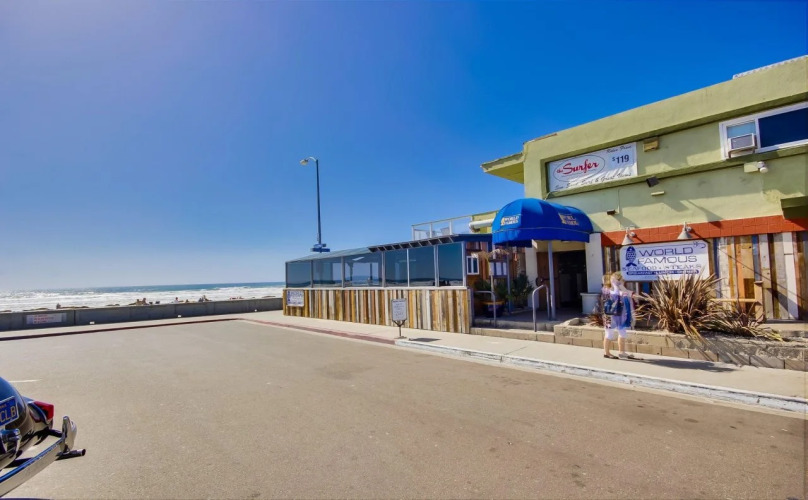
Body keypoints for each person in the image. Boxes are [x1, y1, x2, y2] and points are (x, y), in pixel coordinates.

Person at [603, 271, 636, 359]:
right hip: (610, 315)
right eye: (621, 280)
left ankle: (622, 352)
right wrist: (617, 284)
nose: (623, 282)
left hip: (619, 315)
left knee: (622, 333)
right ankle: (606, 353)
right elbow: (617, 292)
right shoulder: (609, 290)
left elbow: (625, 293)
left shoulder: (617, 290)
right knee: (609, 334)